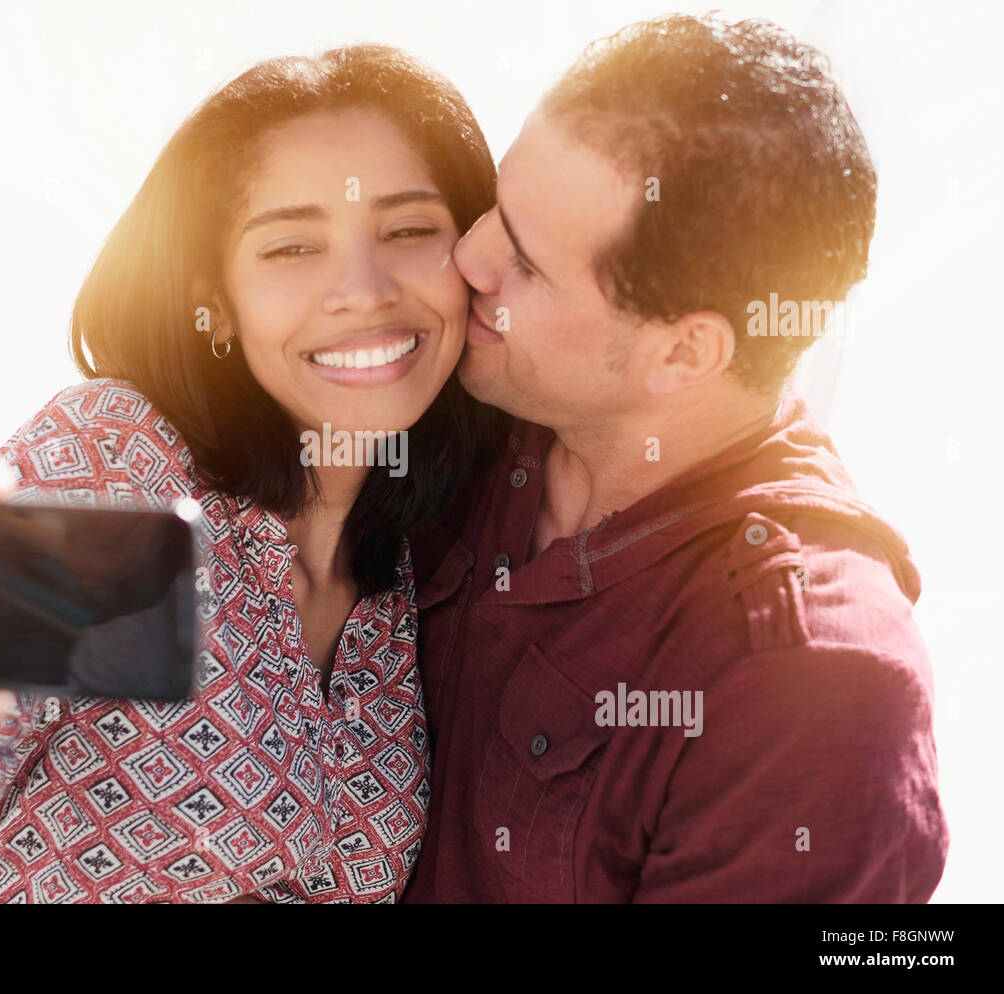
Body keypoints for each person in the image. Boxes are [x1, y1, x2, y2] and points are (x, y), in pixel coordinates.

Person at [0, 44, 503, 903]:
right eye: (290, 248)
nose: (363, 288)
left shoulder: (416, 562)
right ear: (215, 299)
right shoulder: (119, 464)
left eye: (409, 229)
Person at [403, 13, 950, 903]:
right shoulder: (465, 403)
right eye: (499, 206)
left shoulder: (812, 691)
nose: (468, 256)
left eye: (529, 265)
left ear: (683, 355)